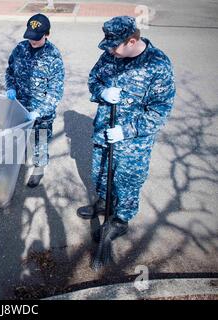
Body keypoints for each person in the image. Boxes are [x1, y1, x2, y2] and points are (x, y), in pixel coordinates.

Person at [81, 16, 176, 242]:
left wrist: (126, 130)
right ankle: (105, 202)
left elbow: (159, 111)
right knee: (101, 171)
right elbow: (94, 78)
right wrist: (101, 92)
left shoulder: (157, 65)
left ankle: (120, 220)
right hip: (104, 130)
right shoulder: (110, 55)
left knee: (127, 180)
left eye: (114, 45)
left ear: (132, 41)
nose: (110, 50)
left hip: (133, 142)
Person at [5, 13, 65, 188]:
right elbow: (10, 71)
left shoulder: (53, 56)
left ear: (47, 34)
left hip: (41, 112)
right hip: (19, 106)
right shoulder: (20, 49)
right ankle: (16, 165)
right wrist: (10, 87)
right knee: (18, 138)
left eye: (37, 39)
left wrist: (40, 111)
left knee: (40, 140)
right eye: (30, 37)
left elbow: (56, 90)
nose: (32, 41)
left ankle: (38, 169)